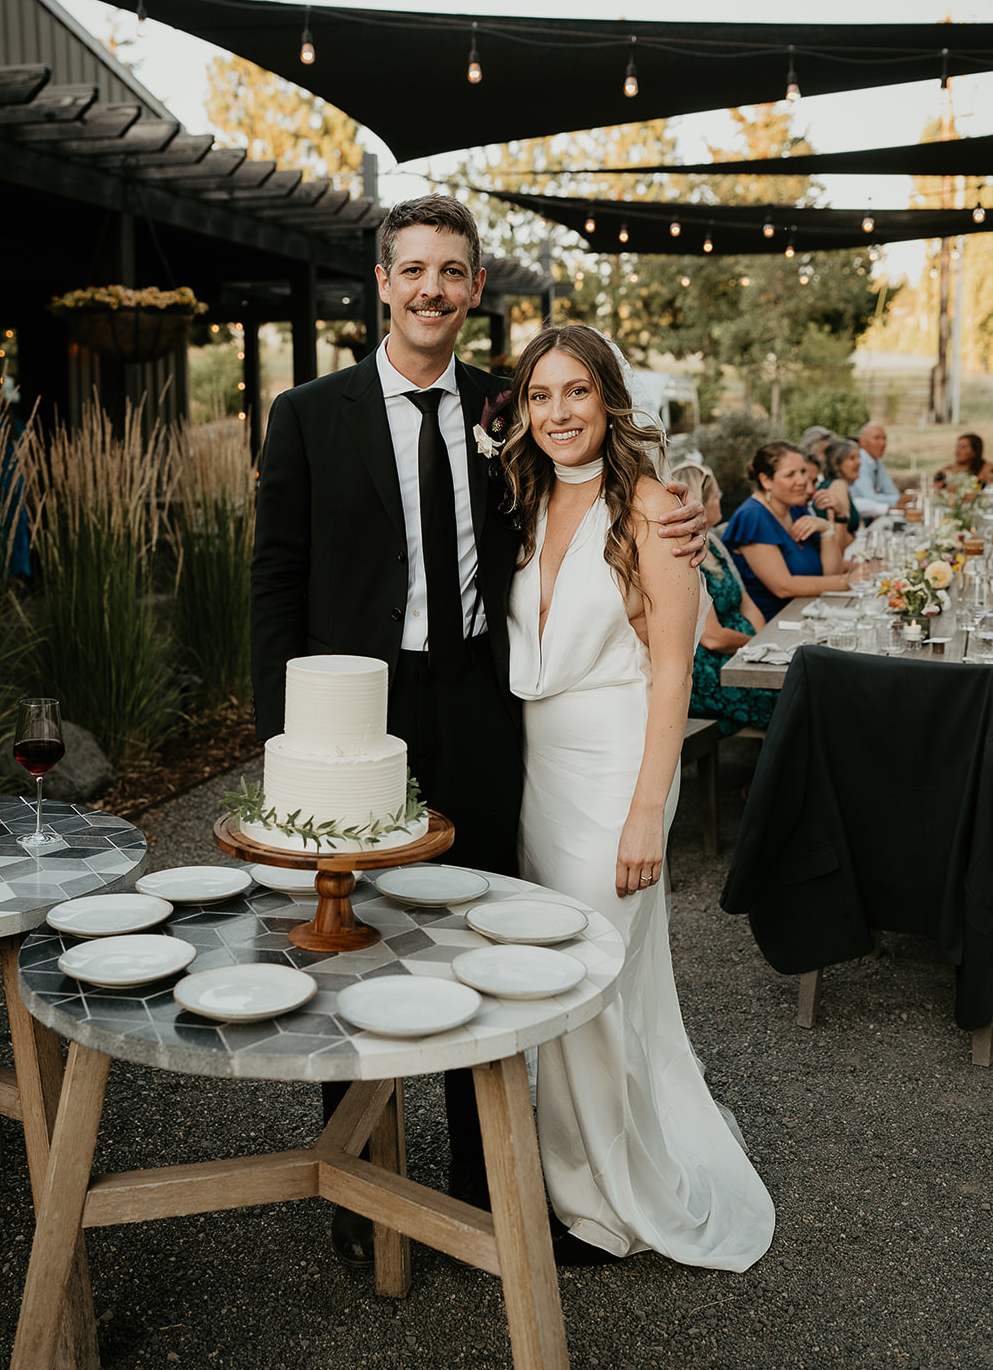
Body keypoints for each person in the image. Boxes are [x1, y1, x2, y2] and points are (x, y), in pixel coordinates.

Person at [249, 196, 708, 1268]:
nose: (431, 291)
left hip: (482, 708)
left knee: (483, 936)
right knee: (346, 940)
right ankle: (358, 1191)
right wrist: (285, 746)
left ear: (471, 290)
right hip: (355, 711)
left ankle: (487, 1181)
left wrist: (687, 500)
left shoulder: (505, 409)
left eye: (451, 273)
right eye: (413, 270)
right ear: (380, 281)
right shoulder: (308, 414)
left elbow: (605, 482)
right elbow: (274, 587)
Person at [504, 323, 775, 1270]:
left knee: (595, 984)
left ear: (608, 398)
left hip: (617, 772)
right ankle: (563, 1172)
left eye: (575, 392)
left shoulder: (653, 509)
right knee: (554, 977)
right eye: (540, 396)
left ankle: (605, 1208)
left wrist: (644, 811)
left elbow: (670, 675)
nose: (558, 413)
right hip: (539, 772)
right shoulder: (525, 500)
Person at [672, 461, 777, 736]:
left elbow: (745, 601)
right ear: (700, 501)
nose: (721, 500)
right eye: (716, 495)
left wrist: (768, 644)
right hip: (710, 670)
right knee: (789, 698)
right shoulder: (684, 554)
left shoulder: (714, 542)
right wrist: (757, 648)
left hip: (743, 653)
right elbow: (713, 637)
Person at [721, 441, 852, 620]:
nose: (802, 481)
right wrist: (848, 581)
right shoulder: (752, 516)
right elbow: (783, 587)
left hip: (811, 613)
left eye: (803, 471)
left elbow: (831, 573)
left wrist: (826, 530)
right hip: (775, 625)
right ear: (766, 480)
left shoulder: (795, 508)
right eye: (790, 474)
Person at [850, 421, 911, 521]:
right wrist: (904, 499)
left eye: (884, 438)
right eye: (877, 438)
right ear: (862, 442)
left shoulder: (877, 462)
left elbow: (891, 492)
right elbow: (870, 498)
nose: (883, 443)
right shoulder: (859, 462)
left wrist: (901, 499)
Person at [815, 437, 862, 549]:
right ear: (837, 463)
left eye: (858, 457)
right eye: (852, 458)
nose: (859, 462)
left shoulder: (831, 484)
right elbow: (839, 536)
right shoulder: (839, 485)